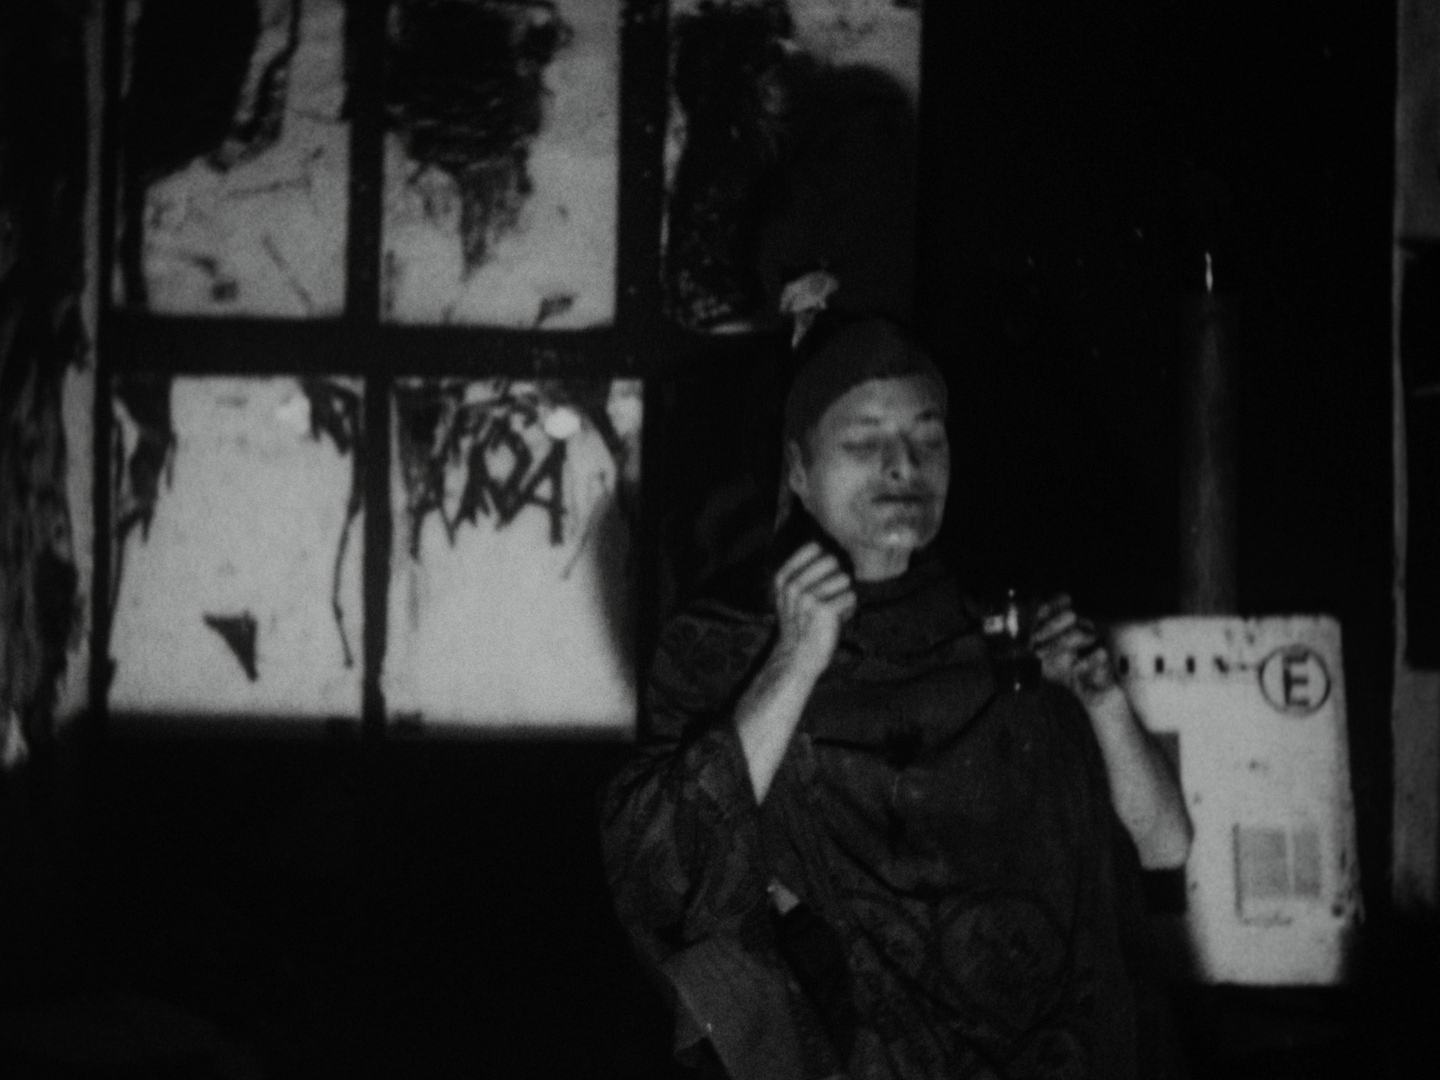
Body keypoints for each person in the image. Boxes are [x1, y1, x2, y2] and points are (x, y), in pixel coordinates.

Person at [601, 312, 1192, 1080]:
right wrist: (796, 661)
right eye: (863, 441)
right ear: (799, 471)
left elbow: (1165, 845)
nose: (902, 465)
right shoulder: (729, 645)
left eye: (928, 438)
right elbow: (661, 869)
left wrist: (1103, 704)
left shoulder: (1007, 642)